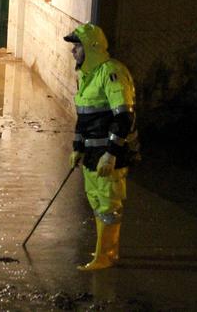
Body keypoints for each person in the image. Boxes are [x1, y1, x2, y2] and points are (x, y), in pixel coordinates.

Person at [63, 23, 140, 271]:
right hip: (92, 154)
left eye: (77, 46)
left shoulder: (111, 73)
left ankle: (105, 256)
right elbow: (84, 118)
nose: (73, 51)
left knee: (108, 204)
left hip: (108, 156)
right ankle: (104, 250)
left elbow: (124, 118)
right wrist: (77, 147)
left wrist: (111, 154)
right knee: (97, 202)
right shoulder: (88, 75)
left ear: (91, 48)